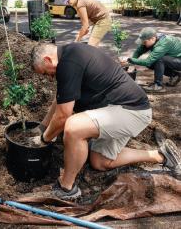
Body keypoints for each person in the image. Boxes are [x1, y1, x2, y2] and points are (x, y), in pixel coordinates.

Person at [31, 43, 181, 200]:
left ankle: (67, 188)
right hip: (119, 109)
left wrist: (43, 139)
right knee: (100, 161)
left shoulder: (68, 63)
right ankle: (161, 155)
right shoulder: (70, 54)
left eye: (45, 73)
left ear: (47, 59)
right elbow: (61, 99)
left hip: (131, 111)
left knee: (74, 127)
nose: (48, 77)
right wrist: (42, 127)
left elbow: (63, 116)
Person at [122, 28, 181, 93]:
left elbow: (147, 62)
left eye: (144, 42)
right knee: (152, 63)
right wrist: (132, 63)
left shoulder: (163, 44)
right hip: (175, 58)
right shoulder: (153, 38)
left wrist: (129, 60)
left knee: (159, 60)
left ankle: (158, 86)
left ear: (152, 39)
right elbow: (138, 51)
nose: (143, 44)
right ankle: (175, 75)